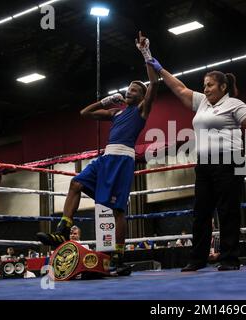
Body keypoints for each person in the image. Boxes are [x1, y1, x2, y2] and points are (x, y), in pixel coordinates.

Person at [142, 39, 246, 272]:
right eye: (204, 85)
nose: (205, 88)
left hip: (230, 161)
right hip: (204, 165)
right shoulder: (202, 103)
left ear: (223, 87)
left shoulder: (234, 104)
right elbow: (180, 88)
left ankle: (229, 259)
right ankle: (197, 259)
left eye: (209, 85)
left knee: (228, 212)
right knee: (201, 213)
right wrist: (158, 67)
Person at [37, 32, 159, 276]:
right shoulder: (116, 113)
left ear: (141, 97)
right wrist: (105, 101)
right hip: (105, 158)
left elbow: (154, 83)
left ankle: (119, 256)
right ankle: (63, 228)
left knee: (117, 211)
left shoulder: (141, 112)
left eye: (135, 89)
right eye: (129, 88)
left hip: (122, 160)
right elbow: (85, 113)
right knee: (75, 183)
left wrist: (145, 53)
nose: (130, 91)